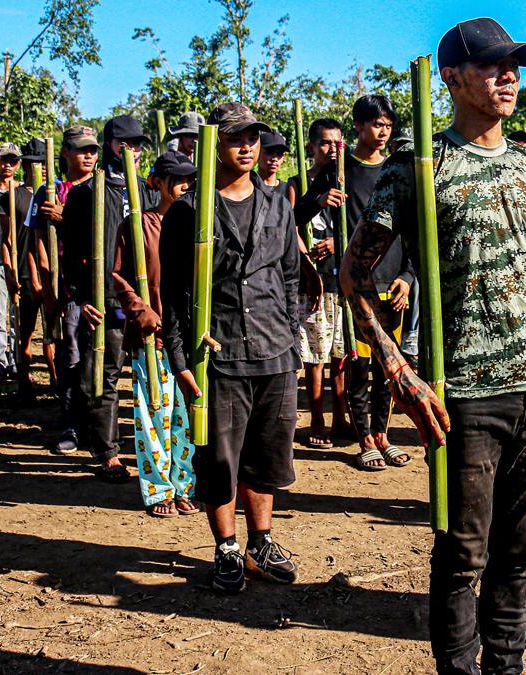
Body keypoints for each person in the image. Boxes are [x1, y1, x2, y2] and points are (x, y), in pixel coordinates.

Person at [338, 18, 526, 673]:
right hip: (461, 395)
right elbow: (353, 274)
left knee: (520, 553)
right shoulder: (420, 167)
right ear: (453, 78)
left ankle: (507, 666)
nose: (508, 77)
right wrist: (399, 368)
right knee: (464, 552)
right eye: (493, 65)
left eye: (515, 65)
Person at [161, 102, 301, 593]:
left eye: (253, 137)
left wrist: (292, 332)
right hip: (216, 352)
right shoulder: (188, 211)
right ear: (213, 144)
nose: (246, 146)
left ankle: (260, 542)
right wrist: (179, 359)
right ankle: (225, 548)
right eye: (235, 137)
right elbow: (174, 293)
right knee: (219, 458)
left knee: (267, 456)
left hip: (275, 349)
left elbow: (289, 275)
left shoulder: (278, 202)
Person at [60, 116, 157, 480]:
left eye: (139, 145)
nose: (134, 151)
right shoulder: (88, 193)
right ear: (112, 145)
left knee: (151, 378)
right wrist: (80, 297)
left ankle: (153, 451)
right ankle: (108, 452)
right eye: (127, 144)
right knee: (104, 377)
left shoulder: (149, 191)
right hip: (106, 302)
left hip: (144, 301)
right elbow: (69, 252)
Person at [112, 151, 199, 518]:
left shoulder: (199, 222)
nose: (185, 185)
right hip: (153, 336)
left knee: (186, 414)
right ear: (157, 182)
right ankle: (158, 489)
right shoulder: (136, 225)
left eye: (189, 179)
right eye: (177, 179)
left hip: (190, 336)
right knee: (153, 414)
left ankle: (184, 485)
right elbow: (118, 276)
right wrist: (140, 311)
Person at [339, 94, 416, 470]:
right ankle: (364, 438)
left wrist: (407, 276)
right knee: (360, 368)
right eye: (375, 123)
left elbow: (410, 232)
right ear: (358, 125)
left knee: (390, 366)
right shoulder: (342, 170)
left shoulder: (397, 171)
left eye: (387, 124)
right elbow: (302, 205)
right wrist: (324, 198)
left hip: (393, 286)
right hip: (359, 286)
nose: (382, 131)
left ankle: (384, 434)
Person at [30, 127, 99, 454]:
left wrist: (66, 215)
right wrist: (47, 289)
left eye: (93, 150)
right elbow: (39, 242)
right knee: (70, 353)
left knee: (98, 357)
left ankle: (98, 423)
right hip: (68, 287)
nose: (89, 156)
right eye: (82, 150)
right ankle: (71, 422)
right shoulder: (49, 192)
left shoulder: (104, 188)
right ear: (65, 153)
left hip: (99, 284)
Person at [291, 117, 349, 448]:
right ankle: (316, 418)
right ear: (312, 146)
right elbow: (290, 223)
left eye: (337, 144)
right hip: (312, 281)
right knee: (315, 356)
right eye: (325, 143)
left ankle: (340, 416)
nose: (331, 150)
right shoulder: (299, 182)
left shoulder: (345, 179)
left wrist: (336, 245)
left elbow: (356, 225)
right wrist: (317, 200)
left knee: (341, 354)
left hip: (340, 278)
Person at [1, 141, 42, 396]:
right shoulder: (14, 196)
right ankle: (24, 381)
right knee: (26, 330)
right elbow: (6, 240)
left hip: (50, 269)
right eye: (36, 162)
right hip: (25, 270)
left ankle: (56, 380)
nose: (41, 168)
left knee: (54, 333)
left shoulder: (54, 193)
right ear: (26, 165)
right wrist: (8, 271)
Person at [0, 143, 21, 382]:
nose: (8, 164)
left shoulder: (23, 193)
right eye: (4, 160)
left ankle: (17, 359)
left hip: (20, 261)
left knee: (16, 313)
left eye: (13, 160)